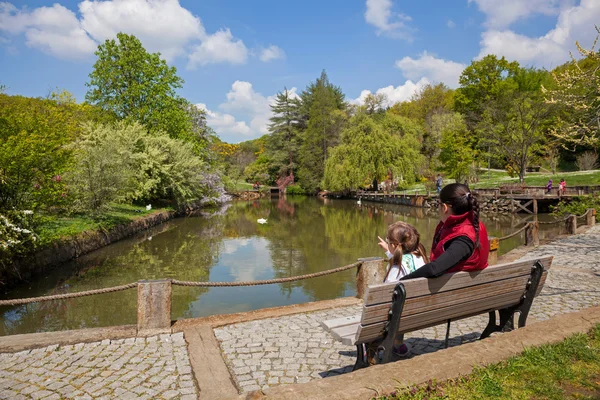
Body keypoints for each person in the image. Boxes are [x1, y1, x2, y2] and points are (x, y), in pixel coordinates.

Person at [400, 183, 489, 280]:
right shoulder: (474, 224)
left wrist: (403, 281)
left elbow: (434, 269)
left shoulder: (464, 238)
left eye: (438, 204)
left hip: (457, 291)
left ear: (445, 207)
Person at [376, 221, 428, 357]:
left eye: (388, 241)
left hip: (399, 315)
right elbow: (403, 262)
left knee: (394, 306)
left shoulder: (395, 268)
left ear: (394, 245)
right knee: (403, 303)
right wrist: (389, 252)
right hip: (419, 311)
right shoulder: (420, 257)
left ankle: (371, 347)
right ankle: (398, 345)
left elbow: (385, 297)